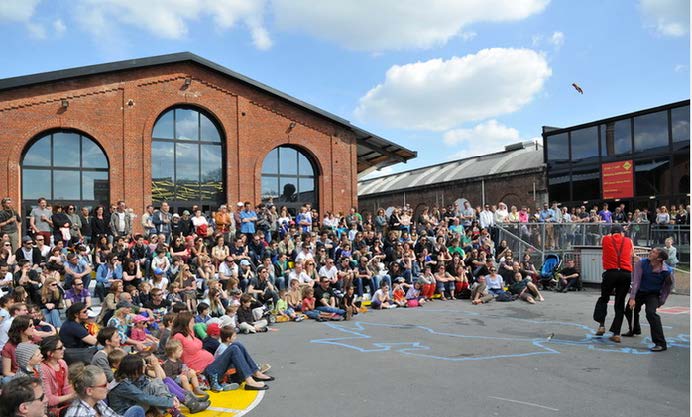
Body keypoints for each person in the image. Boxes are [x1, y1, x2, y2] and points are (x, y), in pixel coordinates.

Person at [624, 248, 673, 352]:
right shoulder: (641, 263)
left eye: (654, 252)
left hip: (653, 294)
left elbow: (668, 287)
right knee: (629, 309)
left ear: (659, 258)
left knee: (651, 313)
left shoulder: (667, 271)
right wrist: (632, 298)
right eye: (651, 251)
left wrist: (662, 300)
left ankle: (660, 343)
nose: (650, 253)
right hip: (640, 291)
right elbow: (636, 281)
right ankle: (634, 329)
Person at [593, 224, 633, 343]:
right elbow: (631, 253)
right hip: (625, 273)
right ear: (621, 232)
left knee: (604, 299)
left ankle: (601, 325)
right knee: (619, 303)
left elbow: (605, 239)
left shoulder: (606, 239)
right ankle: (616, 333)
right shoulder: (629, 241)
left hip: (611, 272)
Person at [66, 363, 145, 417]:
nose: (108, 386)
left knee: (137, 410)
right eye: (104, 385)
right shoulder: (80, 414)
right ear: (89, 391)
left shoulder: (96, 401)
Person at [39, 335, 76, 416]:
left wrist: (75, 399)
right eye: (60, 348)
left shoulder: (62, 363)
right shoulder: (42, 369)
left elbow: (67, 387)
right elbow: (48, 400)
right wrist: (72, 396)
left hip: (64, 404)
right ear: (50, 353)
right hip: (50, 410)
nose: (64, 349)